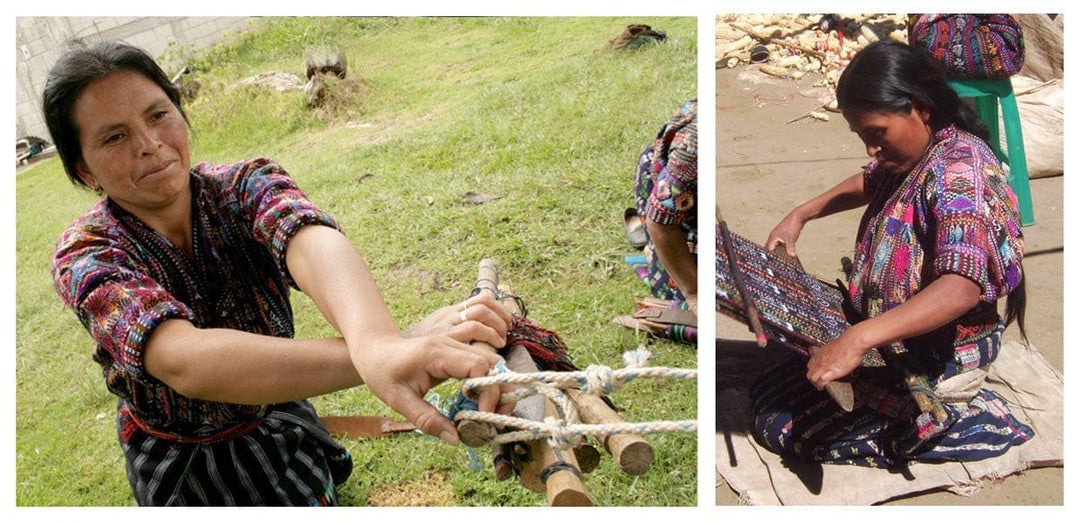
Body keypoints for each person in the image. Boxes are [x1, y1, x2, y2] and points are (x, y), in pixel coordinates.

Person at [45, 41, 513, 506]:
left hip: (280, 417)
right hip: (182, 467)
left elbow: (308, 237)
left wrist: (378, 342)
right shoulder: (87, 256)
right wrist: (385, 352)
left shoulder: (245, 183)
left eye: (158, 115)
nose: (150, 145)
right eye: (114, 137)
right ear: (84, 169)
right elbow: (186, 361)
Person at [751, 40, 1032, 467]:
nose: (871, 149)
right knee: (773, 389)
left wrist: (859, 337)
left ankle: (965, 419)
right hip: (895, 334)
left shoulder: (961, 174)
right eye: (862, 136)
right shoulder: (915, 155)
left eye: (876, 133)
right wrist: (800, 215)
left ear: (920, 107)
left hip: (939, 353)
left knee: (782, 425)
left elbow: (961, 288)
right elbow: (869, 180)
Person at [631, 99, 698, 315]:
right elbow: (660, 222)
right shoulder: (694, 149)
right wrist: (695, 294)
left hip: (686, 197)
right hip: (661, 192)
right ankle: (651, 245)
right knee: (689, 296)